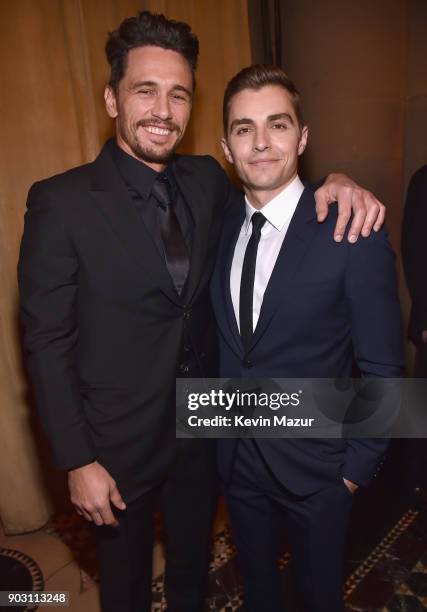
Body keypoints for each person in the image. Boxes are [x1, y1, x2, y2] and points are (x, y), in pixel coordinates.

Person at [18, 11, 386, 612]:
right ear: (112, 99)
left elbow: (276, 183)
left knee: (194, 577)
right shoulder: (61, 203)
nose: (163, 109)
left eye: (178, 93)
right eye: (145, 90)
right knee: (128, 589)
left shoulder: (207, 180)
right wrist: (78, 459)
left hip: (209, 434)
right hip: (117, 448)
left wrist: (339, 179)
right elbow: (47, 341)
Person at [211, 65, 403, 612]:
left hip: (320, 471)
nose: (262, 142)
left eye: (277, 124)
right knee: (260, 592)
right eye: (244, 129)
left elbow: (385, 370)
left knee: (321, 599)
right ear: (227, 146)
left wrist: (353, 473)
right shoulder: (219, 225)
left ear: (303, 136)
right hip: (237, 458)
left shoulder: (350, 230)